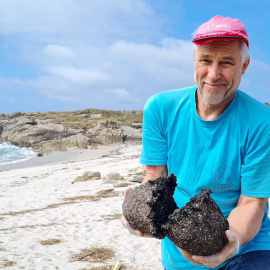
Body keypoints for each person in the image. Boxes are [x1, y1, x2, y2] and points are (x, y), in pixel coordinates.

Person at [121, 15, 270, 270]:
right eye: (206, 60)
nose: (213, 74)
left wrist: (229, 243)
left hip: (246, 249)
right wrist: (140, 209)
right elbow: (155, 177)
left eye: (226, 62)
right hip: (178, 249)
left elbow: (252, 201)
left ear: (244, 66)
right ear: (194, 60)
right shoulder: (160, 108)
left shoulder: (262, 121)